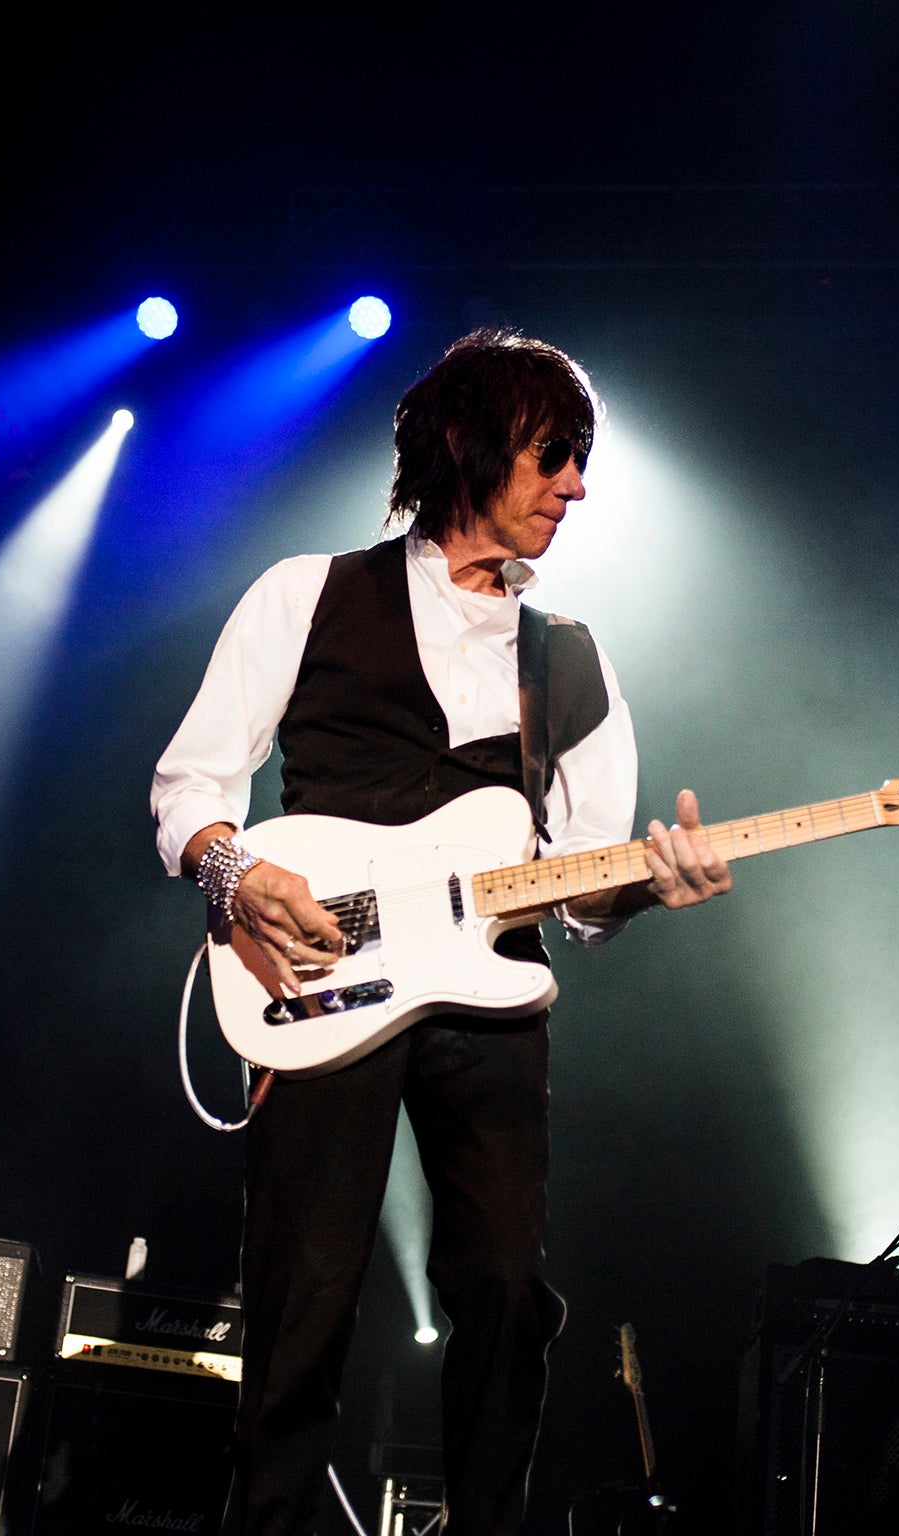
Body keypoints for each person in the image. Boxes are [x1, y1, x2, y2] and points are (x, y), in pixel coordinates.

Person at [151, 330, 732, 1536]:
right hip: (317, 972)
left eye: (578, 461)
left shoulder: (568, 659)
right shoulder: (305, 594)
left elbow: (580, 886)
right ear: (470, 448)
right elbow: (190, 787)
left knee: (510, 1291)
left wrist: (646, 884)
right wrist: (233, 871)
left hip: (490, 995)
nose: (576, 486)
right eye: (553, 456)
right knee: (302, 1295)